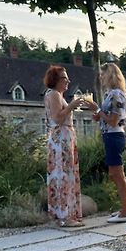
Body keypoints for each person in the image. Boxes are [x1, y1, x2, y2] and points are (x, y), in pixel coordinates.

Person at [88, 63, 126, 223]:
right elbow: (110, 118)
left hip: (114, 136)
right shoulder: (111, 94)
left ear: (111, 75)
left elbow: (114, 121)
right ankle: (124, 208)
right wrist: (99, 115)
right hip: (110, 137)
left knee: (117, 175)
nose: (101, 77)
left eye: (103, 74)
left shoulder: (116, 95)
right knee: (115, 174)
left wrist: (98, 110)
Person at [43, 65, 84, 227]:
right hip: (61, 138)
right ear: (56, 80)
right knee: (64, 175)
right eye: (64, 78)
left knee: (65, 174)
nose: (68, 81)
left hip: (63, 138)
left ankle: (65, 214)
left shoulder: (57, 95)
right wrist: (72, 106)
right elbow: (57, 118)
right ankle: (66, 216)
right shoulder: (54, 94)